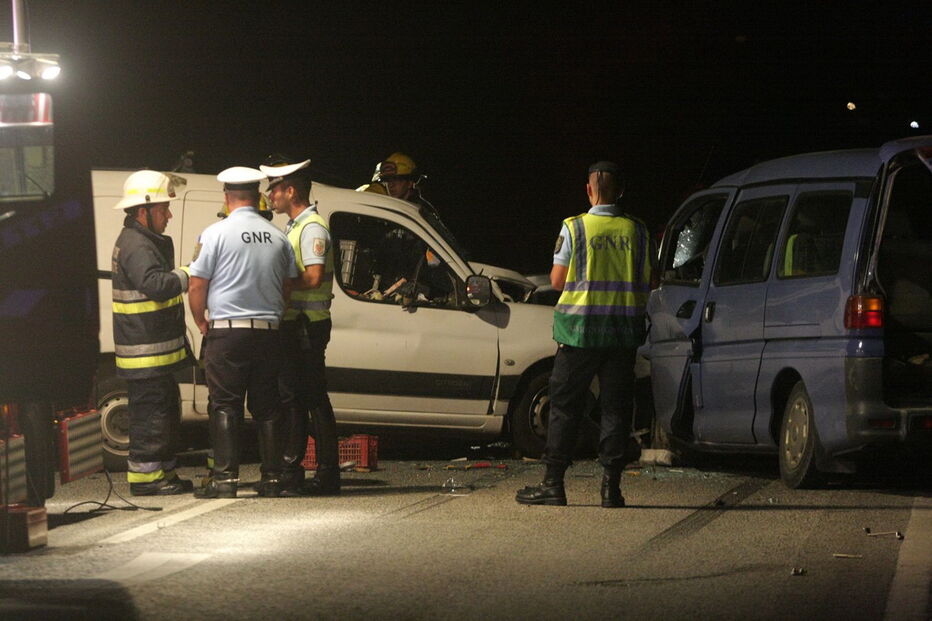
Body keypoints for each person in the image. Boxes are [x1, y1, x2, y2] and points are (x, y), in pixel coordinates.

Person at [516, 161, 655, 508]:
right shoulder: (638, 231)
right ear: (620, 191)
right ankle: (611, 489)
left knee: (564, 407)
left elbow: (558, 281)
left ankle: (553, 485)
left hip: (579, 333)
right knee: (615, 409)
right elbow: (650, 281)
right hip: (622, 334)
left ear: (589, 189)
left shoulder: (574, 227)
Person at [187, 166, 298, 498]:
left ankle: (225, 480)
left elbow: (196, 284)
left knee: (225, 405)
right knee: (268, 407)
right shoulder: (278, 237)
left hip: (228, 333)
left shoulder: (214, 234)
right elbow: (287, 287)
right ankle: (273, 479)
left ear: (227, 197)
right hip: (269, 333)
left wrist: (201, 321)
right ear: (258, 197)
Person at [110, 169, 194, 495]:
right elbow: (155, 285)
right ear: (143, 210)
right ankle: (147, 480)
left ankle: (164, 474)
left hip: (152, 353)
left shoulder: (142, 241)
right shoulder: (136, 244)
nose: (169, 215)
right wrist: (188, 273)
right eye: (164, 208)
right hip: (145, 355)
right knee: (151, 418)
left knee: (164, 414)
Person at [260, 157, 341, 496]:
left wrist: (277, 285)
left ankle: (324, 474)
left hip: (307, 327)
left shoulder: (311, 228)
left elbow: (313, 276)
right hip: (298, 326)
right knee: (300, 397)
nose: (270, 195)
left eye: (275, 189)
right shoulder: (295, 227)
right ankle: (307, 472)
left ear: (291, 191)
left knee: (310, 398)